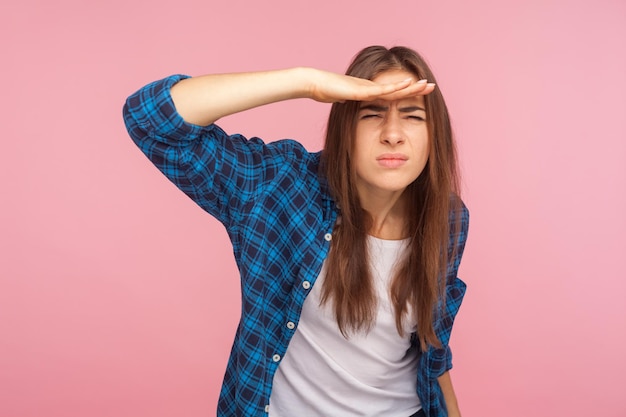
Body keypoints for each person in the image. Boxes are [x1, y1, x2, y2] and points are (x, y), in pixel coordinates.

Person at [123, 45, 469, 417]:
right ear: (344, 128)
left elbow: (433, 352)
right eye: (371, 114)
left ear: (435, 135)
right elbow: (150, 119)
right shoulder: (282, 187)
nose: (393, 135)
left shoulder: (448, 219)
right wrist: (306, 82)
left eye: (413, 116)